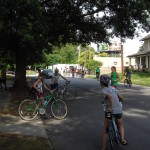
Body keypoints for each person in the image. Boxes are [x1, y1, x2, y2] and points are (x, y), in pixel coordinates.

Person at [100, 74, 127, 150]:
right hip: (118, 110)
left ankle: (103, 147)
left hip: (109, 112)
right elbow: (121, 97)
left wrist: (111, 107)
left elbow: (109, 96)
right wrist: (119, 103)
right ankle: (122, 139)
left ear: (101, 82)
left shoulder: (103, 91)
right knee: (120, 124)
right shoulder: (113, 88)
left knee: (106, 128)